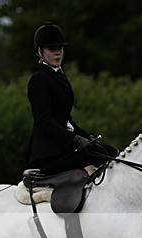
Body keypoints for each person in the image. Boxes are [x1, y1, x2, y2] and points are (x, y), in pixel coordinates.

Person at [26, 22, 118, 175]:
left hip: (65, 147)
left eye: (60, 49)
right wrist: (74, 139)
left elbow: (66, 120)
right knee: (100, 157)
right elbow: (44, 120)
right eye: (52, 49)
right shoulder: (39, 80)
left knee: (110, 151)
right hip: (49, 153)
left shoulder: (60, 76)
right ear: (40, 52)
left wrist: (86, 137)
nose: (58, 53)